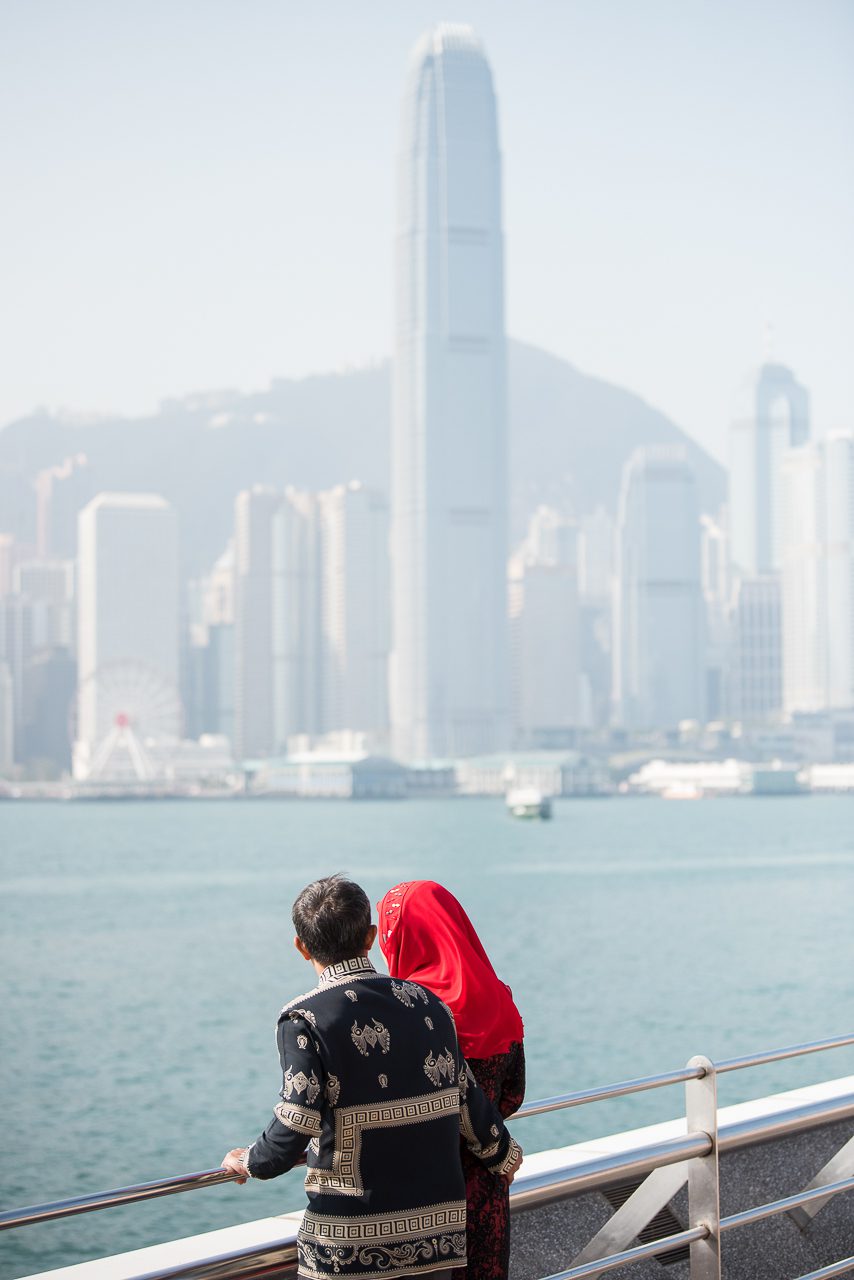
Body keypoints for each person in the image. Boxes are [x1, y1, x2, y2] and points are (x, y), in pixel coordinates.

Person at [222, 876, 522, 1280]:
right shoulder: (428, 1003)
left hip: (348, 1243)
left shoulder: (303, 1019)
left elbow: (296, 1120)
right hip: (434, 1240)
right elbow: (466, 1096)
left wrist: (249, 1161)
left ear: (301, 946)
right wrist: (505, 1156)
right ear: (370, 937)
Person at [376, 882, 525, 1280]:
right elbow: (513, 1094)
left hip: (423, 1195)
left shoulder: (408, 1009)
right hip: (487, 1183)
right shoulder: (499, 996)